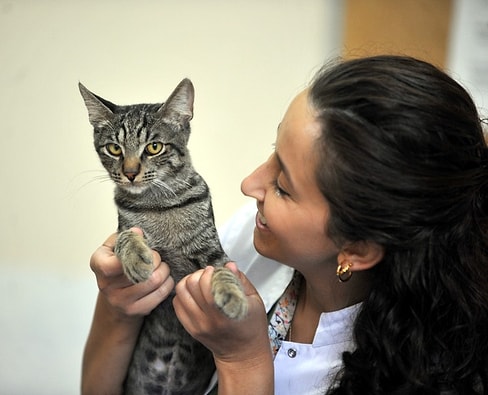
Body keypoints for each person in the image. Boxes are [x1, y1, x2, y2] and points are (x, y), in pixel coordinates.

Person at [81, 55, 488, 395]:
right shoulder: (254, 239)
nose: (248, 184)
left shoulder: (404, 377)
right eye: (274, 151)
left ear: (358, 248)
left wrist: (242, 360)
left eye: (283, 186)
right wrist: (118, 309)